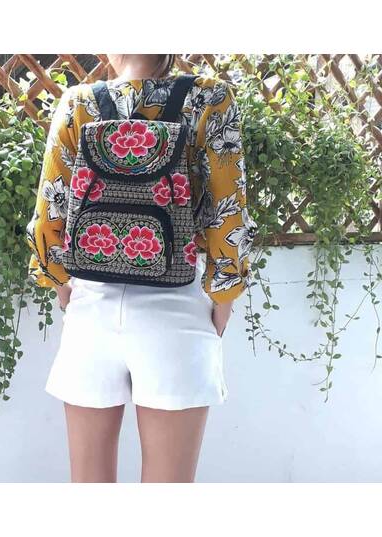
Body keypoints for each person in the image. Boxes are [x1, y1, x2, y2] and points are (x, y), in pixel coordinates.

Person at [25, 54, 258, 482]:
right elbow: (228, 215)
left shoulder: (78, 103)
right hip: (176, 311)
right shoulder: (209, 98)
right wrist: (221, 303)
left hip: (91, 312)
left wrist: (64, 292)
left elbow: (48, 219)